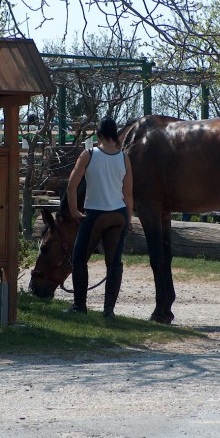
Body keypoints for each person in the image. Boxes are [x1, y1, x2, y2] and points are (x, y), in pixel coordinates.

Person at [66, 115, 133, 319]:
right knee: (114, 263)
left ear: (98, 134)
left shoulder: (89, 154)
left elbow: (71, 186)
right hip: (118, 214)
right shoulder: (124, 157)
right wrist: (128, 219)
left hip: (95, 212)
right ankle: (109, 311)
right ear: (115, 135)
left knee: (79, 259)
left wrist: (74, 211)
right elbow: (128, 193)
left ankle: (80, 305)